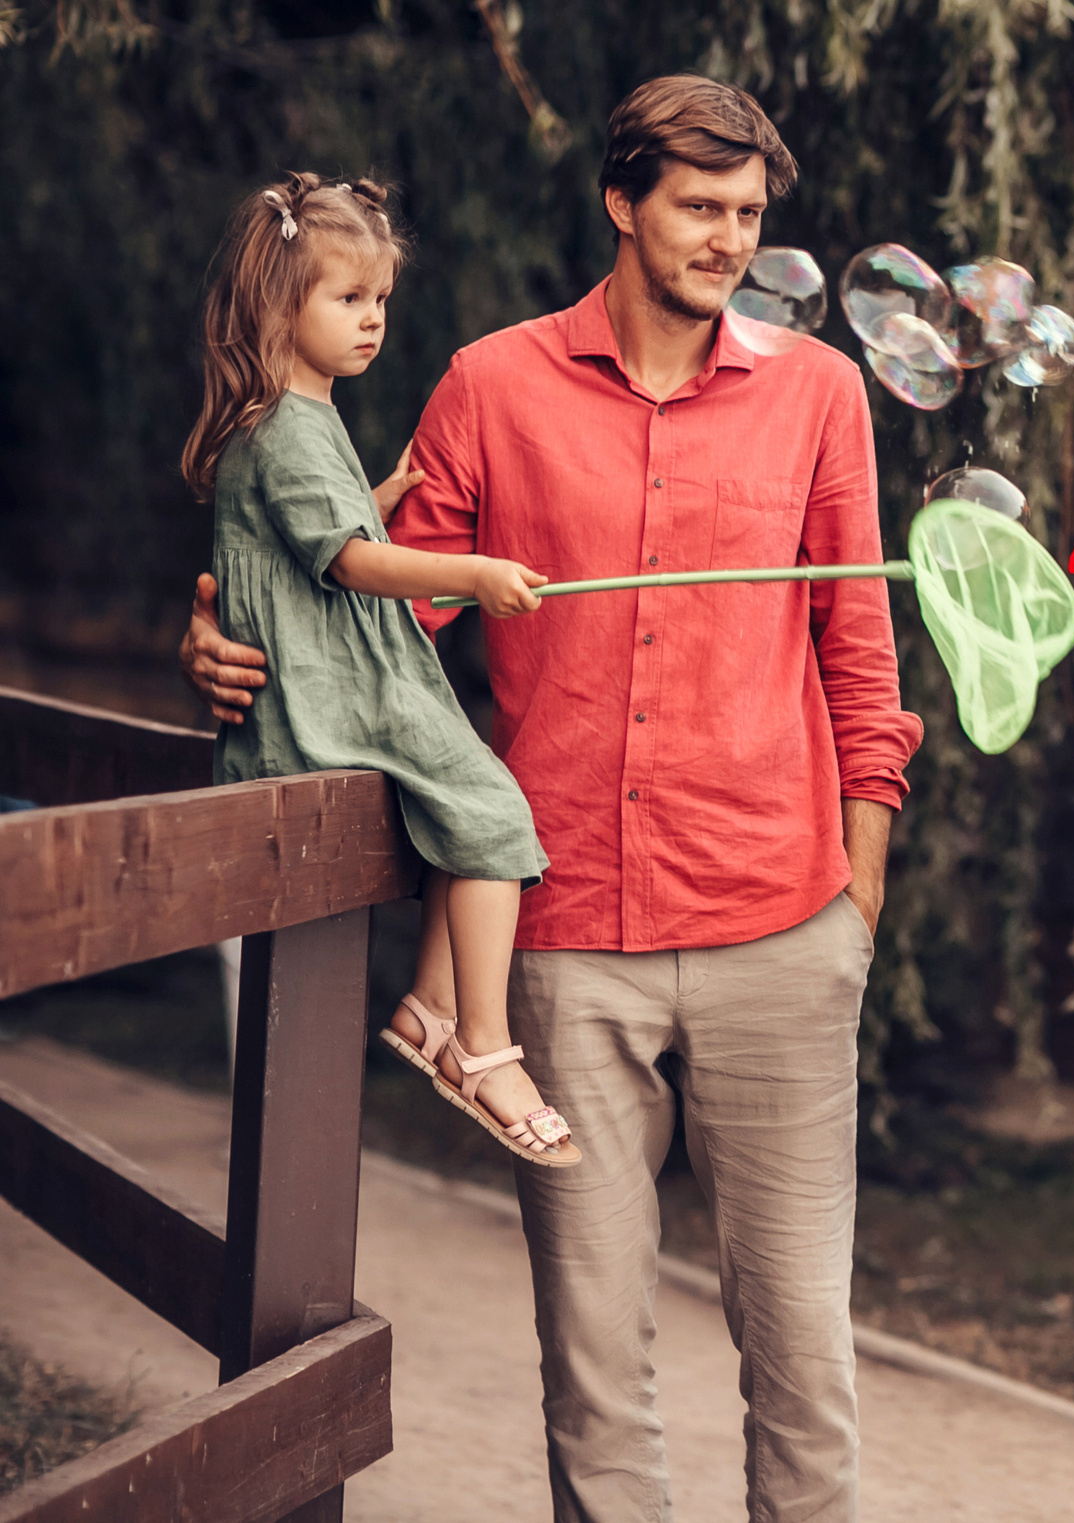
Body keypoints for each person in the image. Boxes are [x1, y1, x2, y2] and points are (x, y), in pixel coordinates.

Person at [181, 77, 922, 1521]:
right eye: (698, 207)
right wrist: (219, 639)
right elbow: (377, 617)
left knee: (806, 1352)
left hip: (785, 927)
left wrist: (862, 877)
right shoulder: (492, 383)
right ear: (621, 202)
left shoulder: (821, 394)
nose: (724, 239)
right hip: (565, 943)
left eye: (749, 216)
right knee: (592, 1360)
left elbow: (860, 645)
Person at [182, 173, 575, 1166]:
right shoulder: (289, 427)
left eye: (381, 302)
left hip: (330, 690)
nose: (372, 322)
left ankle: (427, 1008)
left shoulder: (293, 420)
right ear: (280, 303)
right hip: (326, 702)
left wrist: (378, 486)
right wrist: (472, 572)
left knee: (468, 798)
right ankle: (480, 1047)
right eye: (348, 299)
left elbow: (319, 520)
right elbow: (352, 563)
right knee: (490, 813)